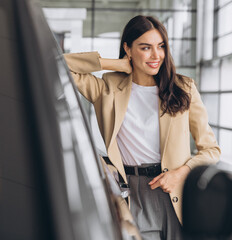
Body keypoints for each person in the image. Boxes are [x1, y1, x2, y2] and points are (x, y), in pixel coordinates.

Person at [63, 15, 220, 239]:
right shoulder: (107, 90)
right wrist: (112, 63)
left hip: (178, 194)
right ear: (128, 48)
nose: (156, 56)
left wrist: (181, 173)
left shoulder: (184, 88)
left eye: (161, 46)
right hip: (134, 195)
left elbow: (211, 150)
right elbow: (57, 63)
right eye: (146, 48)